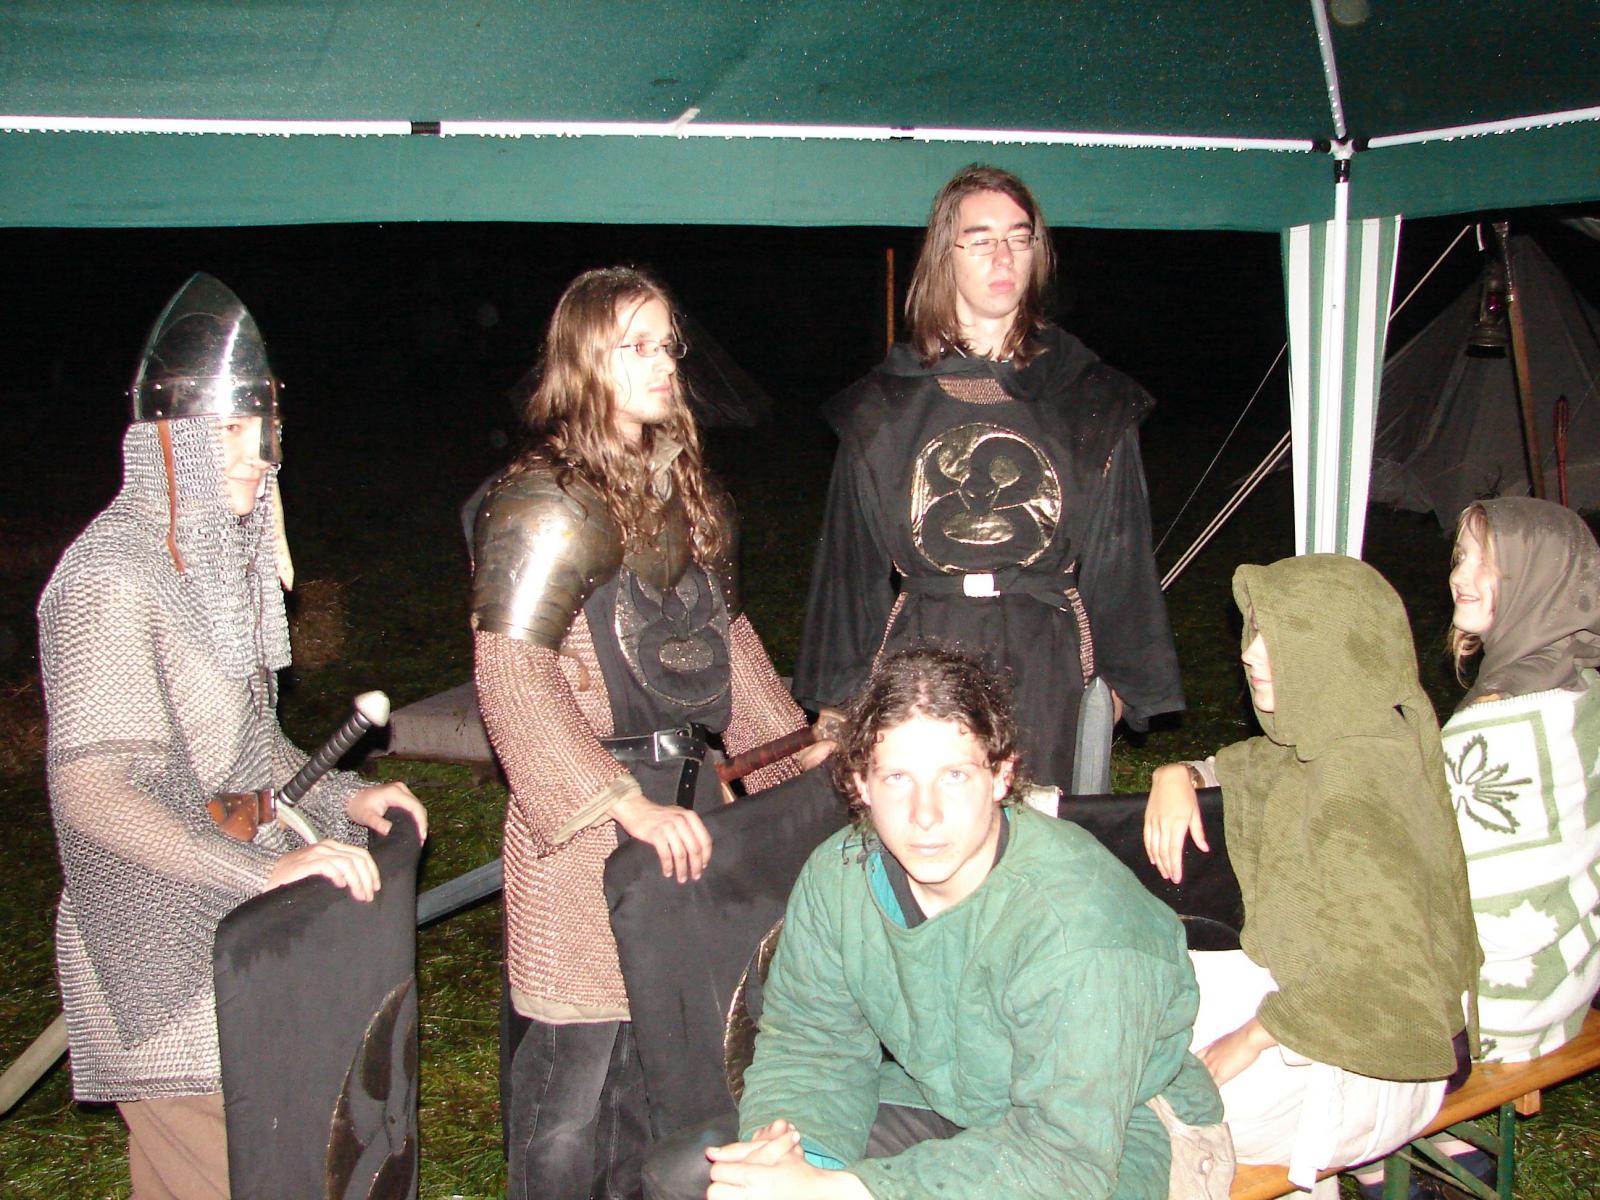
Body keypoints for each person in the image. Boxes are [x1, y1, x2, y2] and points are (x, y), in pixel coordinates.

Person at [37, 273, 427, 1199]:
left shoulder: (212, 563)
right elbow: (93, 793)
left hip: (231, 937)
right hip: (161, 954)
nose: (259, 456)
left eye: (265, 431)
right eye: (231, 432)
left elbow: (249, 753)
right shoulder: (109, 579)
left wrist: (348, 795)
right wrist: (260, 875)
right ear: (169, 440)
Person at [471, 266, 827, 1200]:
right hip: (589, 832)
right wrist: (620, 805)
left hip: (689, 811)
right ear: (584, 361)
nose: (664, 362)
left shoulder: (688, 494)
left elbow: (727, 644)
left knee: (661, 1065)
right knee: (571, 1088)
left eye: (667, 343)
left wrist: (802, 755)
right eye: (635, 345)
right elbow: (513, 674)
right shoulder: (544, 499)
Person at [642, 642, 1222, 1200]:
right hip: (949, 1097)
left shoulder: (1082, 927)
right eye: (898, 778)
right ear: (861, 783)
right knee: (693, 1175)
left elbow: (1066, 1160)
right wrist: (795, 1153)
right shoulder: (841, 876)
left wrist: (842, 1190)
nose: (925, 814)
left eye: (955, 776)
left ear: (1001, 776)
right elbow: (814, 1043)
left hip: (1116, 1141)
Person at [792, 164, 1182, 790]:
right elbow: (850, 567)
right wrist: (838, 707)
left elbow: (1121, 555)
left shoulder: (1088, 399)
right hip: (923, 654)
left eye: (1018, 238)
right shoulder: (882, 409)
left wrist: (1120, 686)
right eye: (981, 240)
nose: (1004, 256)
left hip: (1048, 655)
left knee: (1037, 831)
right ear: (944, 257)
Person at [1142, 555, 1479, 1189]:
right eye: (1255, 632)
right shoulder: (1342, 736)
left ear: (1337, 649)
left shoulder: (1354, 787)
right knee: (1141, 993)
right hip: (1334, 1035)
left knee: (1130, 1101)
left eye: (1279, 637)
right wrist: (1177, 774)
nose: (1250, 653)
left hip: (1375, 1068)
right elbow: (1246, 766)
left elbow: (1378, 979)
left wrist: (1251, 1039)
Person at [1443, 499, 1600, 1062]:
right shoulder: (1583, 686)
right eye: (1462, 557)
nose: (1462, 576)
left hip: (1489, 1006)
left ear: (1541, 579)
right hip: (1566, 984)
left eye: (1490, 564)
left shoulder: (1495, 723)